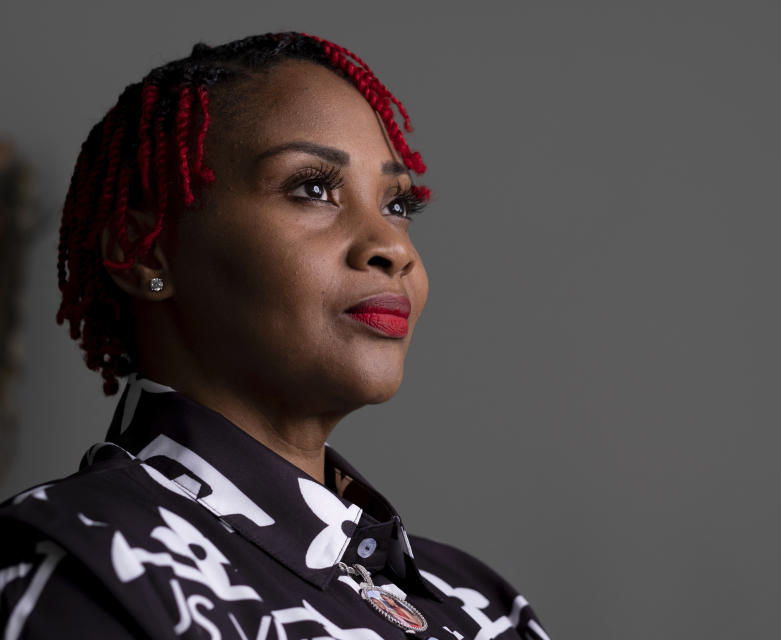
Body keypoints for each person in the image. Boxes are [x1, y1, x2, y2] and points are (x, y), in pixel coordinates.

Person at [0, 32, 550, 640]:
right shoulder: (82, 568)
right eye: (312, 189)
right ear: (144, 250)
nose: (392, 248)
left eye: (397, 205)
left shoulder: (482, 603)